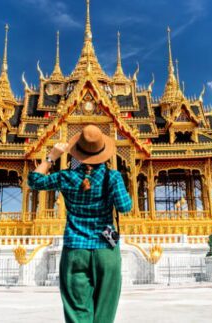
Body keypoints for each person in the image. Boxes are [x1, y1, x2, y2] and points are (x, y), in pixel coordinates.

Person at [29, 124, 132, 323]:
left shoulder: (66, 176)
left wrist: (52, 156)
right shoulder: (113, 177)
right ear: (103, 152)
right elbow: (125, 207)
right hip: (106, 251)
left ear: (77, 153)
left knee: (78, 315)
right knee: (104, 315)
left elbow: (34, 180)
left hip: (75, 249)